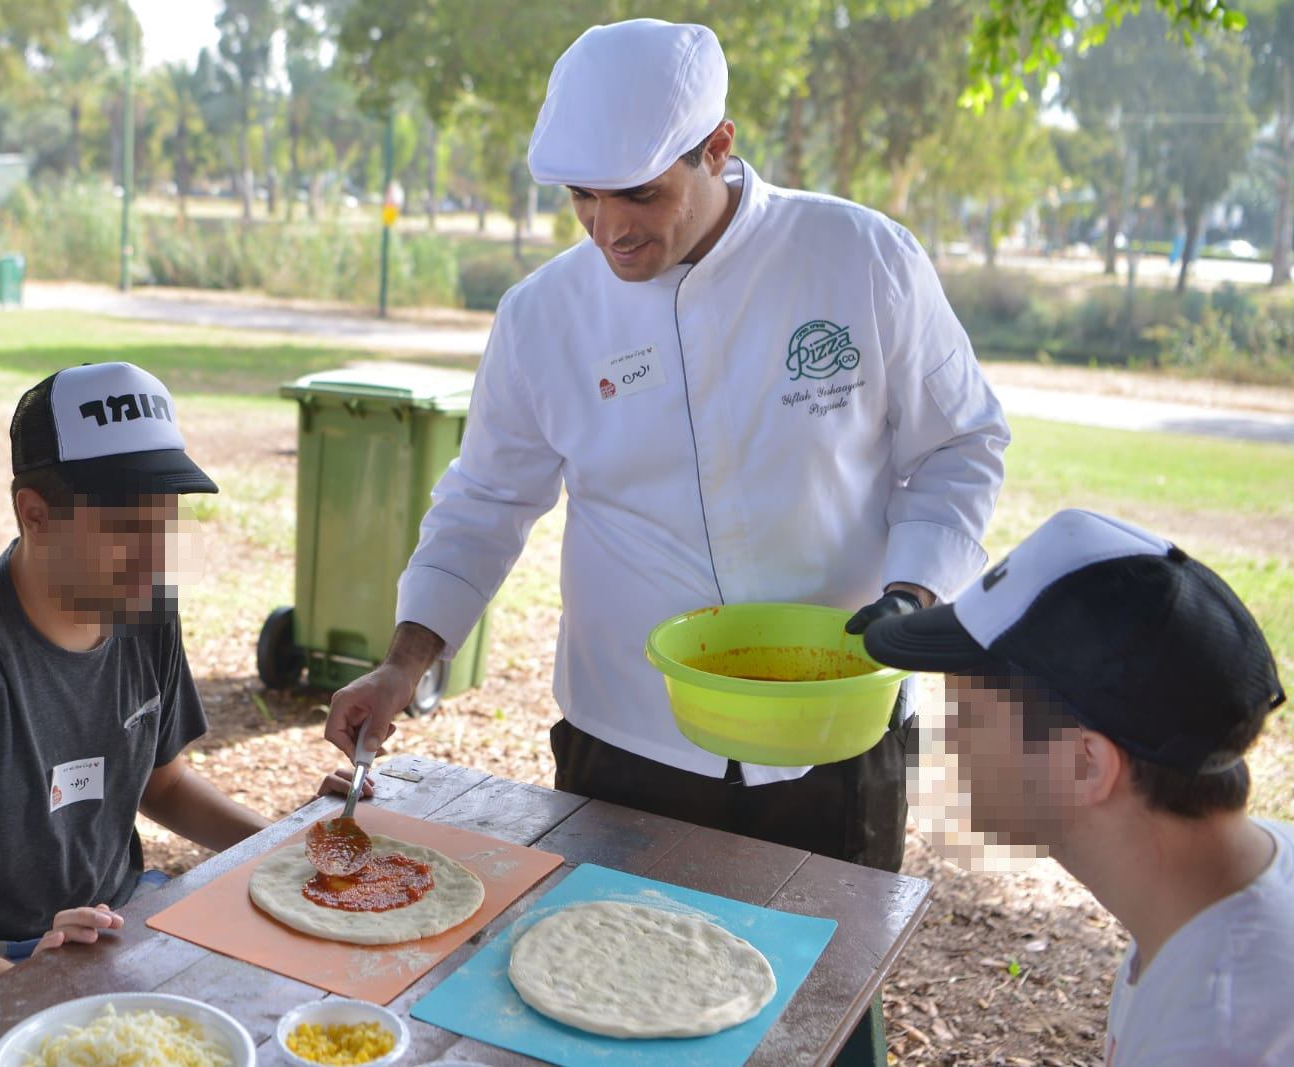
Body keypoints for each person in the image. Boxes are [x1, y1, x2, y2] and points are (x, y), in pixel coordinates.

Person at [327, 17, 1008, 872]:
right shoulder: (543, 316)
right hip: (626, 738)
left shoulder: (860, 259)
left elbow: (960, 445)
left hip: (831, 726)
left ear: (717, 146)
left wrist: (912, 594)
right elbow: (487, 500)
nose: (610, 229)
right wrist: (403, 663)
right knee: (605, 986)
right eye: (583, 196)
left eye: (640, 194)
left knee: (829, 992)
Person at [0, 361, 275, 1040]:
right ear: (34, 513)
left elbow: (166, 782)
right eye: (126, 525)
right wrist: (37, 1002)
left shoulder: (146, 606)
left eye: (167, 517)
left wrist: (287, 849)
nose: (157, 554)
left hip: (109, 924)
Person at [861, 508, 1294, 1064]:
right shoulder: (1231, 886)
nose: (944, 742)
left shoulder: (1226, 1035)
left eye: (967, 716)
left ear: (1086, 764)